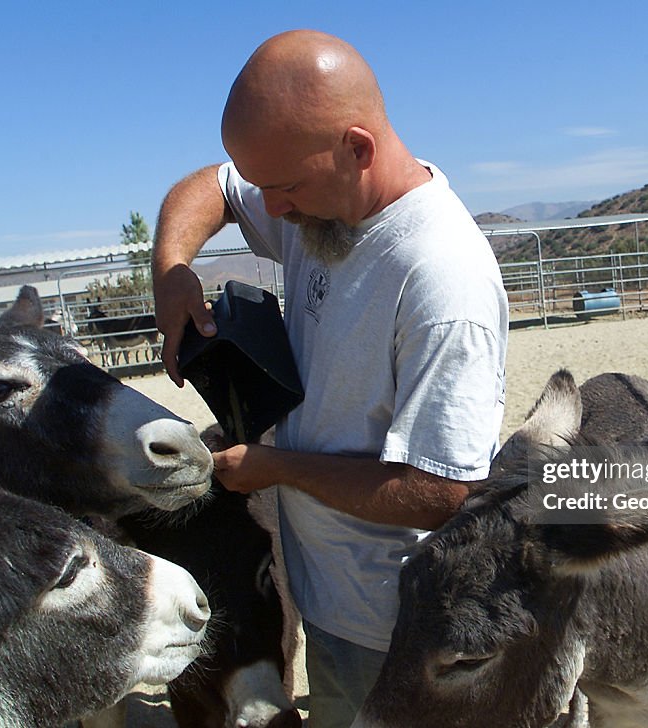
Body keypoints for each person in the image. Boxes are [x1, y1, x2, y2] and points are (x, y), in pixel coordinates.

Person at [150, 30, 508, 728]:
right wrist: (171, 268)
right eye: (265, 189)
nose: (271, 211)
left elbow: (439, 492)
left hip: (390, 625)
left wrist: (274, 467)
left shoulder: (442, 282)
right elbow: (209, 188)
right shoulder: (323, 205)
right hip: (326, 591)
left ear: (358, 148)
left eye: (284, 189)